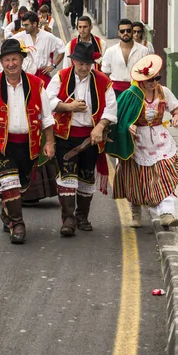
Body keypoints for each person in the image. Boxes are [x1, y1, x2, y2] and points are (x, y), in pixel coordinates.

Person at [0, 38, 55, 244]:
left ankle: (7, 212)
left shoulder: (37, 85)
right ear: (1, 63)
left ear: (22, 60)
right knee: (10, 182)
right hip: (2, 145)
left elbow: (47, 117)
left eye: (15, 59)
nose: (11, 64)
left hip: (29, 144)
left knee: (23, 184)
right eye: (7, 60)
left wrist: (50, 142)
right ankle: (18, 224)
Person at [47, 42, 117, 236]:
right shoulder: (61, 77)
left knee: (86, 176)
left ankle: (82, 217)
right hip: (65, 137)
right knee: (67, 178)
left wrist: (100, 126)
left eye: (88, 63)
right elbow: (48, 100)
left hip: (90, 138)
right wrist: (68, 107)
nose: (84, 67)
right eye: (81, 63)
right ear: (74, 61)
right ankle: (68, 220)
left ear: (92, 63)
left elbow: (111, 109)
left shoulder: (103, 81)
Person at [108, 55, 178, 228]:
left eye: (157, 78)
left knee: (164, 174)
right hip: (137, 143)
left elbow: (175, 108)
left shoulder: (163, 92)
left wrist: (176, 116)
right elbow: (119, 117)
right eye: (150, 79)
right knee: (136, 178)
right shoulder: (130, 95)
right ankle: (136, 211)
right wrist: (129, 125)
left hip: (161, 141)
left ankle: (166, 213)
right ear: (142, 81)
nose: (154, 82)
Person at [13, 11, 65, 86]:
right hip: (27, 75)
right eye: (23, 25)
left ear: (34, 24)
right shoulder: (21, 36)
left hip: (42, 75)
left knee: (44, 97)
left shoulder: (48, 37)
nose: (24, 28)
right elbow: (8, 44)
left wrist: (53, 66)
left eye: (26, 25)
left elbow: (62, 50)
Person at [102, 18, 149, 98]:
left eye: (128, 30)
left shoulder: (143, 50)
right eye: (122, 31)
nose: (125, 33)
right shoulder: (110, 51)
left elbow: (148, 72)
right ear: (118, 33)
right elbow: (105, 74)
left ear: (132, 31)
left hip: (137, 91)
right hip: (115, 92)